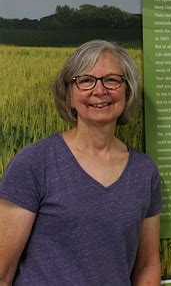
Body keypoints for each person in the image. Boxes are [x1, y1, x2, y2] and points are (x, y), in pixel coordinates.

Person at [0, 40, 162, 284]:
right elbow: (2, 271)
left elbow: (147, 264)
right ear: (69, 96)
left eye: (112, 80)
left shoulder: (144, 171)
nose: (100, 91)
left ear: (127, 91)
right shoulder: (35, 163)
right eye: (85, 80)